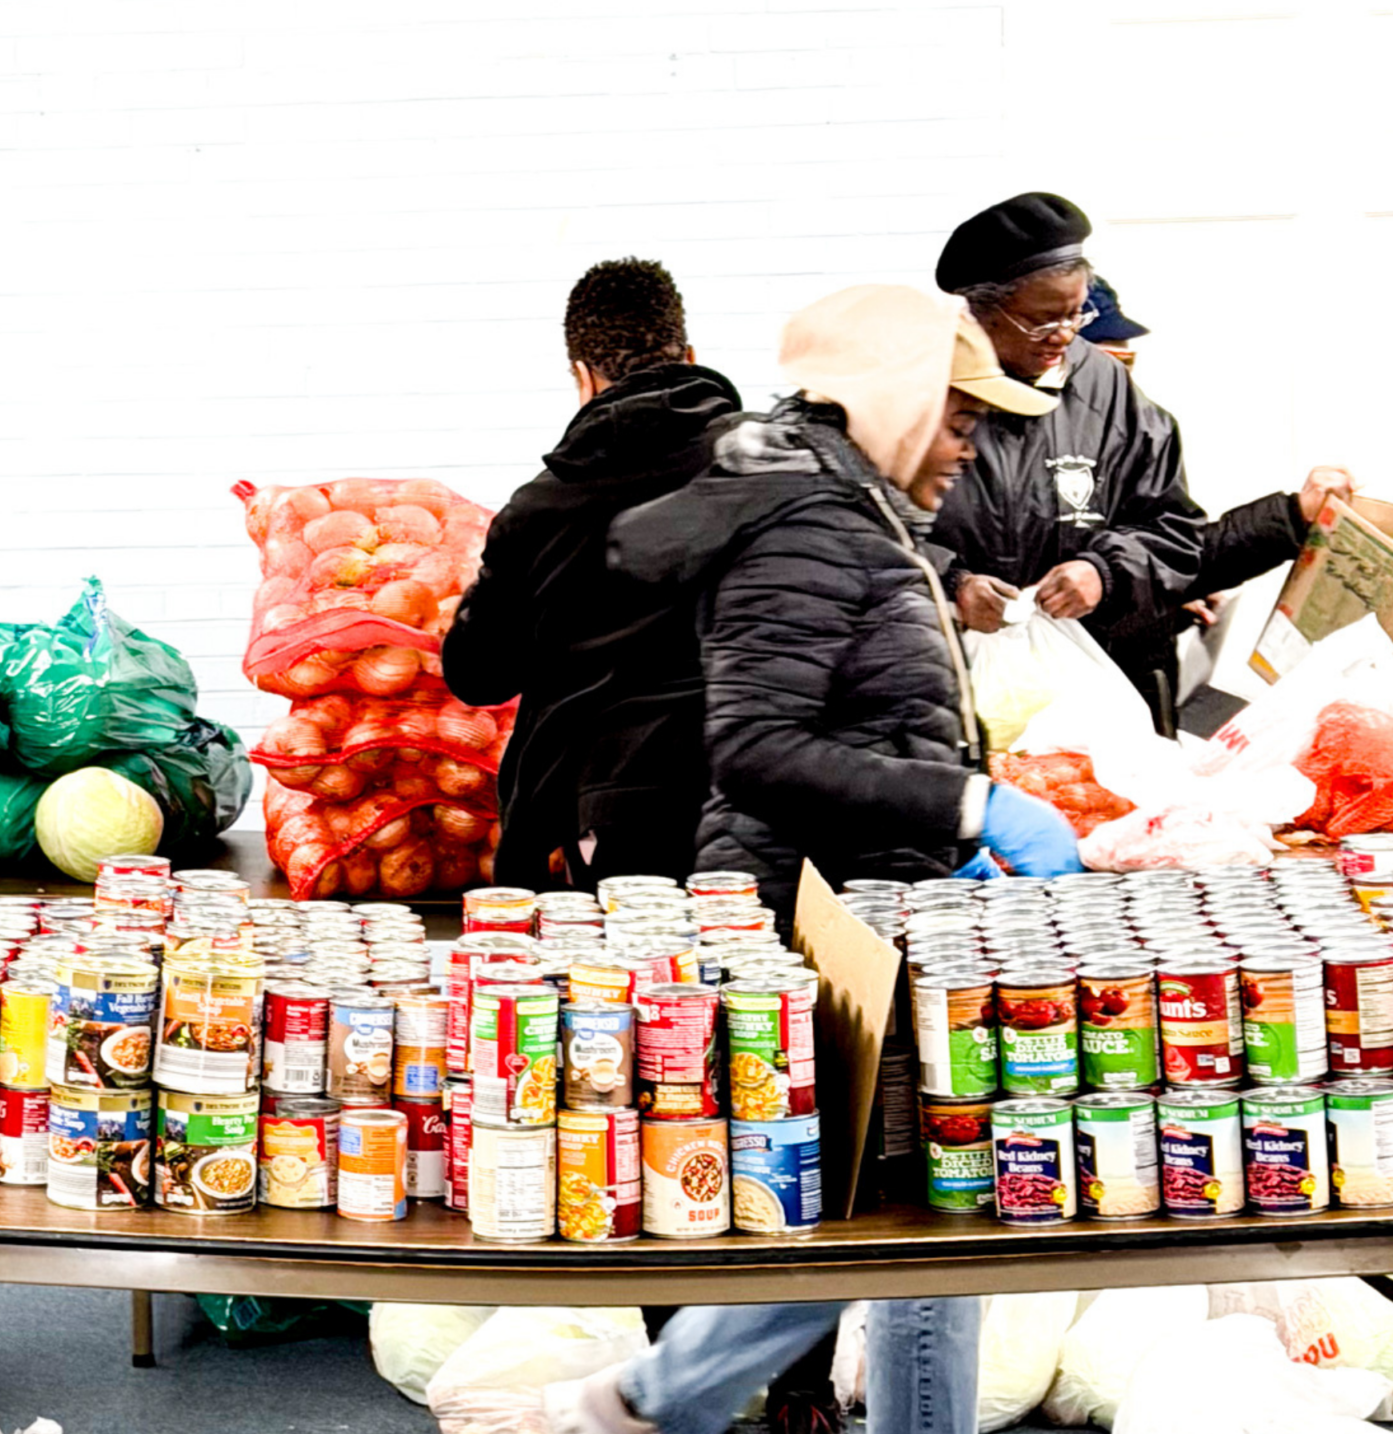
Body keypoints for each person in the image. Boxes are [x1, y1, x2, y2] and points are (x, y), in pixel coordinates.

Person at [575, 288, 1082, 1434]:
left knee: (905, 1218)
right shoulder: (809, 522)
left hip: (868, 902)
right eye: (955, 417)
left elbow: (865, 715)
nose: (968, 445)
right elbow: (755, 749)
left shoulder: (848, 509)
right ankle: (640, 1402)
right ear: (892, 400)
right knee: (905, 1219)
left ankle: (645, 1403)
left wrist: (949, 828)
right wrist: (969, 802)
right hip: (809, 924)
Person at [443, 257, 740, 888]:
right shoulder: (781, 470)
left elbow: (477, 677)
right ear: (688, 353)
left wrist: (470, 604)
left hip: (594, 825)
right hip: (755, 804)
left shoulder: (540, 509)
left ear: (582, 377)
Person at [927, 192, 1207, 735]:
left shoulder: (1104, 384)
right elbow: (854, 530)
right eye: (1040, 320)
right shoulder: (916, 386)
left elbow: (1173, 528)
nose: (1063, 335)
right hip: (933, 683)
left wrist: (1103, 573)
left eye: (1076, 313)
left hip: (1079, 678)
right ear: (979, 310)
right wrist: (950, 582)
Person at [1077, 277, 1356, 635]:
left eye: (1127, 364)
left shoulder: (1137, 434)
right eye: (1108, 364)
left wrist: (1159, 598)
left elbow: (1166, 554)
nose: (1121, 383)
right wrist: (1292, 515)